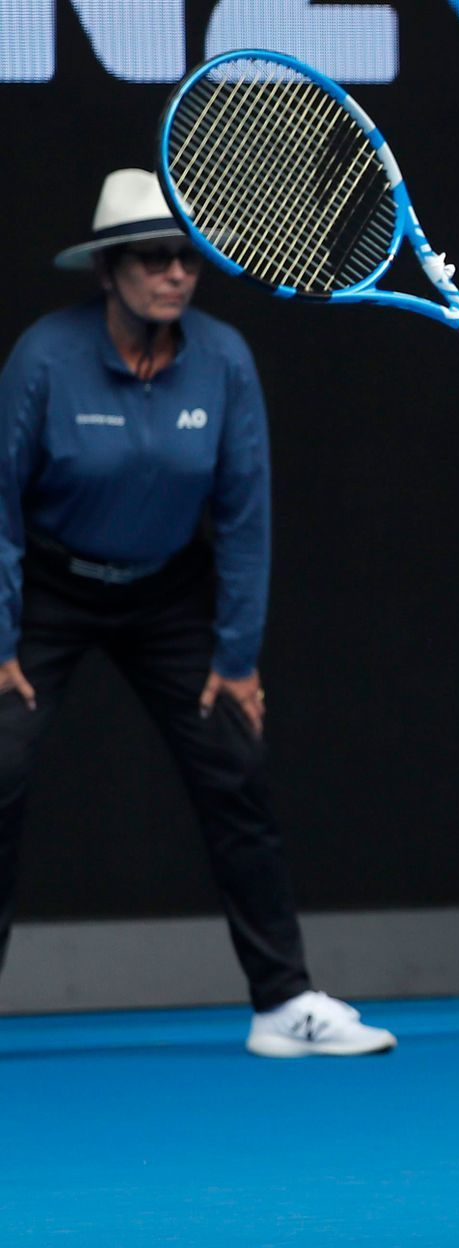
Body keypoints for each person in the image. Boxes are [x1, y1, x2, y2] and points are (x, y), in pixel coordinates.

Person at [0, 169, 395, 1057]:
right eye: (153, 259)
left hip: (169, 591)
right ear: (108, 270)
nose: (175, 274)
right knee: (0, 771)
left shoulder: (223, 359)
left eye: (187, 258)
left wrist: (237, 656)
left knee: (234, 765)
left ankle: (283, 1002)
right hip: (51, 590)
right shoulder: (44, 359)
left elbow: (246, 515)